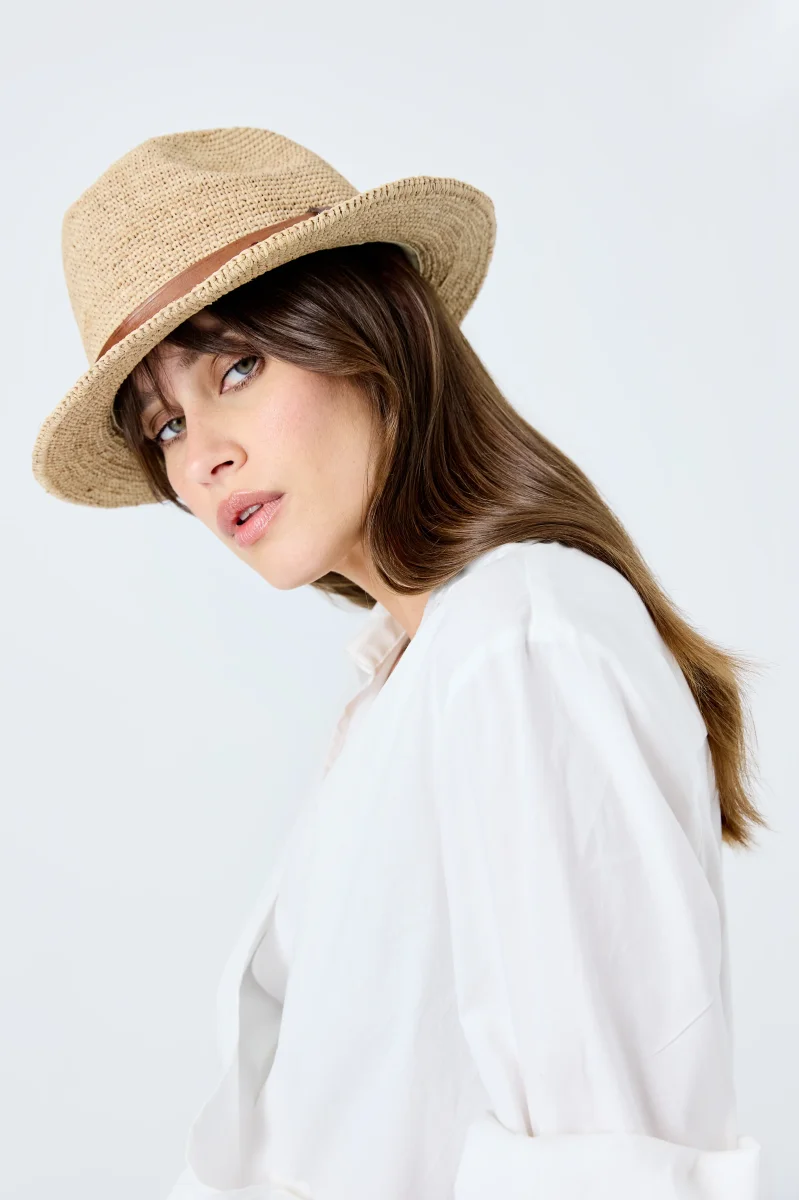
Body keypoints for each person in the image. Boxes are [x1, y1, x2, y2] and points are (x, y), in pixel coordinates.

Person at [31, 126, 766, 1200]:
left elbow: (608, 1162)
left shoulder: (518, 640)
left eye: (238, 366)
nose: (203, 458)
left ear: (372, 332)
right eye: (166, 425)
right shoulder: (413, 678)